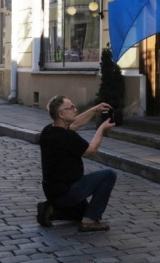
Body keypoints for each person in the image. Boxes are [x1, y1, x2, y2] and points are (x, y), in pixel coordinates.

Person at [37, 95, 117, 232]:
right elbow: (91, 151)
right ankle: (90, 221)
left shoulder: (49, 130)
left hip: (53, 192)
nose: (75, 109)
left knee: (82, 212)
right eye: (71, 108)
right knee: (109, 175)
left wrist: (94, 110)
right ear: (61, 114)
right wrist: (101, 129)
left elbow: (75, 124)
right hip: (68, 191)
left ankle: (51, 211)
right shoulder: (67, 136)